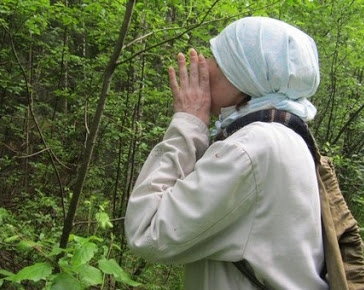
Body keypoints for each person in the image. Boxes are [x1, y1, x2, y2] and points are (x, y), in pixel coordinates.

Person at [124, 16, 327, 289]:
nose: (205, 66)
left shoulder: (251, 148)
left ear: (244, 74)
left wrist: (188, 122)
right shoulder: (286, 137)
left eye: (217, 60)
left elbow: (146, 230)